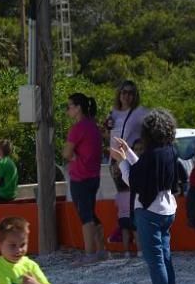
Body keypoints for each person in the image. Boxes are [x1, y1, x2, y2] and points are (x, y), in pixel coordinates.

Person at [110, 108, 180, 284]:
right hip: (167, 209)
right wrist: (129, 153)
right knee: (165, 258)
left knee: (155, 260)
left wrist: (122, 160)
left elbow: (135, 181)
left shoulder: (151, 155)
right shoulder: (169, 151)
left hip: (149, 212)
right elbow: (145, 168)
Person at [63, 93, 106, 262]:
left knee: (85, 215)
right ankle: (101, 250)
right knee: (91, 212)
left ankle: (90, 253)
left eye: (69, 106)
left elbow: (66, 152)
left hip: (80, 177)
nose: (68, 110)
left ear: (78, 107)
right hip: (94, 176)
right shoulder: (93, 126)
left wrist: (74, 158)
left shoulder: (78, 128)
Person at [104, 81, 147, 245]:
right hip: (115, 159)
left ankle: (135, 235)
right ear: (119, 94)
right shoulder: (113, 113)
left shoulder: (139, 112)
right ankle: (124, 232)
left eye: (130, 93)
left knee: (132, 199)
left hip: (131, 159)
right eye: (124, 92)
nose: (126, 96)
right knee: (124, 200)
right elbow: (109, 136)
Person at [113, 138, 145, 258]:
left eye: (141, 149)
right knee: (136, 231)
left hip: (144, 204)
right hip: (135, 205)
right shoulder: (131, 165)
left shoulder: (148, 163)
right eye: (136, 149)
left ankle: (132, 251)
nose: (138, 152)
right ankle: (140, 251)